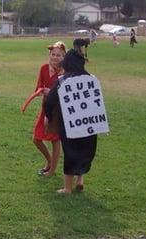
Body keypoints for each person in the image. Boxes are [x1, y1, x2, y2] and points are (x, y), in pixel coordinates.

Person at [44, 39, 97, 194]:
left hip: (69, 125)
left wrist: (48, 117)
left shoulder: (63, 81)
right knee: (84, 152)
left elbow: (50, 101)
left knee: (71, 152)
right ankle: (80, 180)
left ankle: (67, 188)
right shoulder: (91, 79)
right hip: (89, 125)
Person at [31, 41, 66, 176]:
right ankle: (50, 161)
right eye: (53, 54)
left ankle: (52, 170)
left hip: (58, 111)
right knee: (36, 138)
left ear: (63, 57)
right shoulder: (44, 68)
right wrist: (40, 91)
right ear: (49, 55)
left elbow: (64, 93)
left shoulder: (64, 73)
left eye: (59, 55)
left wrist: (50, 91)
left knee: (55, 139)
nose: (55, 57)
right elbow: (39, 86)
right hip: (46, 108)